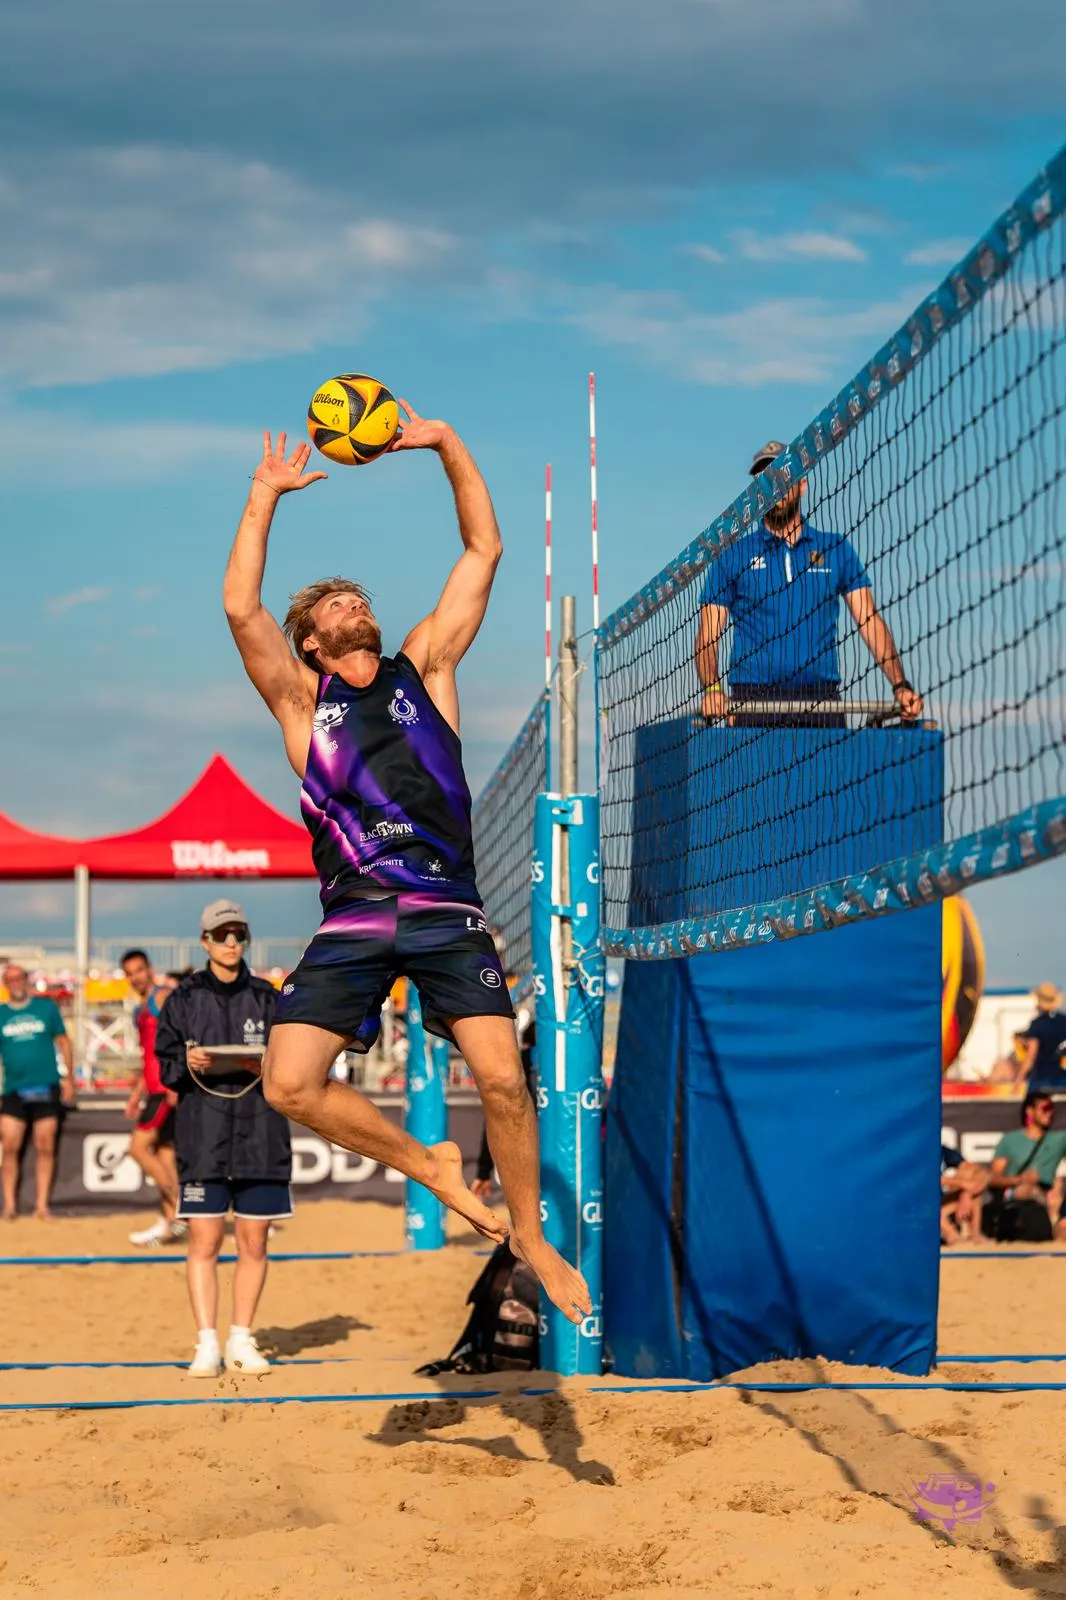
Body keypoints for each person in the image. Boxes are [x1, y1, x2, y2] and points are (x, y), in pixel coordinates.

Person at [223, 420, 590, 1326]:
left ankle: (530, 1238)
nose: (354, 602)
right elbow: (240, 609)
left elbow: (485, 546)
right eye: (336, 604)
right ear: (310, 640)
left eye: (357, 595)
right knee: (289, 1083)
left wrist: (444, 442)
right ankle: (424, 1162)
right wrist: (265, 494)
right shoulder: (304, 701)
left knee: (504, 1081)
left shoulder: (422, 667)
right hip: (352, 911)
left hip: (443, 906)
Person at [696, 439, 924, 726]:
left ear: (802, 483)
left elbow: (869, 620)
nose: (773, 488)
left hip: (822, 703)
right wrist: (713, 690)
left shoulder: (835, 548)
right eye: (764, 480)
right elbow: (708, 637)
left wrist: (900, 685)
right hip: (752, 704)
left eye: (781, 476)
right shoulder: (733, 556)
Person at [155, 901, 291, 1377]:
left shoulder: (268, 997)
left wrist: (264, 1065)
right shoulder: (184, 999)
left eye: (239, 933)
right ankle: (206, 1343)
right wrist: (185, 1064)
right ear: (205, 940)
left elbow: (292, 1063)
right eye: (222, 934)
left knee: (254, 1242)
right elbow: (165, 1064)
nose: (231, 941)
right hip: (204, 1134)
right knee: (205, 1239)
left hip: (260, 1134)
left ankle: (242, 1338)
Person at [120, 948, 185, 1248]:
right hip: (154, 1088)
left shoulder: (163, 997)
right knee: (163, 1154)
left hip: (165, 1089)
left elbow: (183, 1037)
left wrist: (176, 1083)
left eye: (139, 970)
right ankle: (168, 1221)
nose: (135, 977)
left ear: (150, 969)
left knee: (138, 1148)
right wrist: (136, 1093)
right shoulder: (141, 1007)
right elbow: (148, 1054)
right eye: (130, 973)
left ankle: (183, 1210)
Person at [0, 963, 75, 1220]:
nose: (16, 983)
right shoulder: (1, 1014)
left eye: (19, 978)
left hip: (46, 1086)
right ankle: (9, 1205)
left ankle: (42, 1205)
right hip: (13, 1089)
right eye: (10, 980)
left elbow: (63, 1041)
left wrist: (69, 1078)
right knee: (9, 1145)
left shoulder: (45, 1008)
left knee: (45, 1145)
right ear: (5, 984)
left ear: (26, 980)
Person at [982, 1092, 1066, 1243]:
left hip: (1047, 1193)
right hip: (1016, 1191)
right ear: (1030, 1111)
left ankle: (1054, 1223)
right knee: (1028, 1189)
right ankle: (1051, 1219)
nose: (1050, 1112)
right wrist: (1020, 1179)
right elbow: (993, 1178)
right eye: (1045, 1108)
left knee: (1055, 1194)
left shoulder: (1059, 1139)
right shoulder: (1010, 1140)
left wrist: (1058, 1183)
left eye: (1052, 1108)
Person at [1018, 982, 1066, 1091]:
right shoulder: (1064, 1021)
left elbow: (1031, 1055)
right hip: (1063, 1079)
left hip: (1041, 1080)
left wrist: (1018, 1081)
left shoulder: (1037, 1024)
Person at [940, 1144, 988, 1246]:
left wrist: (966, 1194)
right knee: (924, 1200)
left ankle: (974, 1234)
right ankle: (951, 1235)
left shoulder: (940, 1150)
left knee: (971, 1173)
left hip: (941, 1205)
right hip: (916, 1208)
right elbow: (920, 1181)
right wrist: (962, 1184)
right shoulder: (911, 1151)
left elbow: (980, 1172)